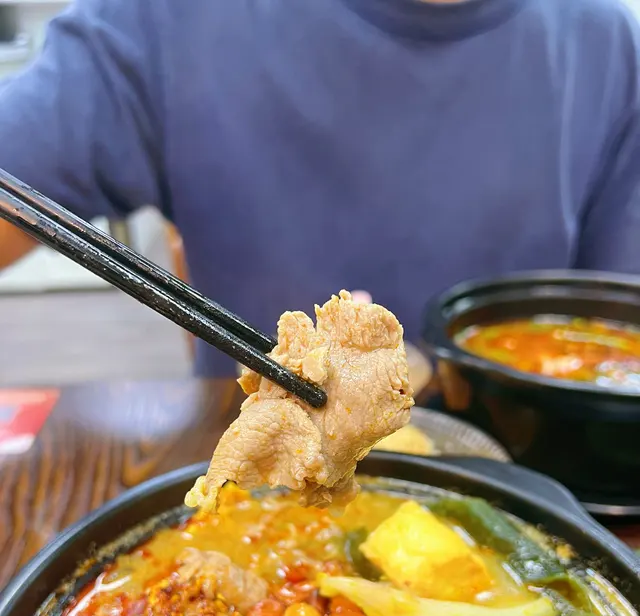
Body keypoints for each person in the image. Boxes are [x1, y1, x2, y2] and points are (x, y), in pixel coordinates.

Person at [1, 0, 639, 378]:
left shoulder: (610, 47)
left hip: (532, 474)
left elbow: (616, 338)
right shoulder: (166, 18)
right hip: (254, 488)